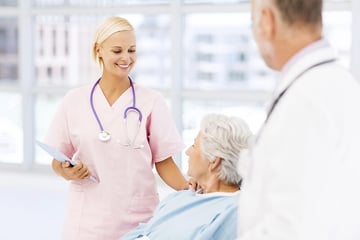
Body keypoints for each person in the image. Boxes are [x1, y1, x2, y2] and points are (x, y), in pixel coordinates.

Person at [44, 16, 190, 240]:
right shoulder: (73, 100)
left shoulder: (151, 102)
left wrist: (190, 188)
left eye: (132, 50)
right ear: (98, 50)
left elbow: (164, 161)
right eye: (117, 50)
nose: (126, 58)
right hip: (86, 221)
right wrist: (67, 171)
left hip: (138, 220)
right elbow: (58, 160)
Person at [238, 0, 360, 239]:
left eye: (252, 23)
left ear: (267, 20)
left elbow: (289, 229)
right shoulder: (338, 84)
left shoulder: (305, 102)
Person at [121, 113, 253, 240]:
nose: (187, 152)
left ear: (214, 161)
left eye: (194, 146)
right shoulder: (180, 197)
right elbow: (142, 231)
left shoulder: (234, 212)